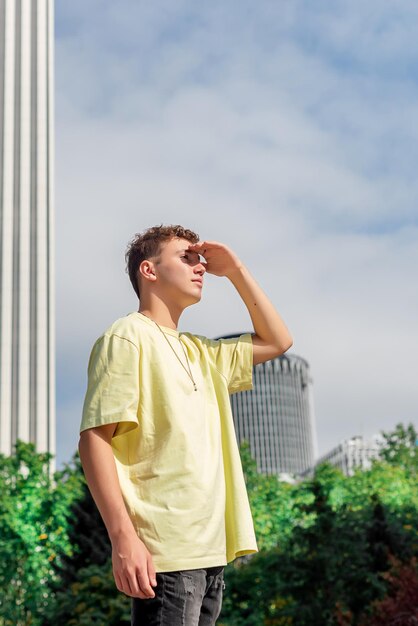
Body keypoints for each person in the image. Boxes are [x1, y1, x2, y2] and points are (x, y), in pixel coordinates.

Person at [79, 224, 292, 626]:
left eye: (200, 260)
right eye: (186, 257)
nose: (199, 267)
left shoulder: (202, 351)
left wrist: (236, 271)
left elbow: (278, 341)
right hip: (166, 548)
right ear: (149, 270)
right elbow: (94, 439)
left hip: (211, 551)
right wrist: (123, 537)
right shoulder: (126, 336)